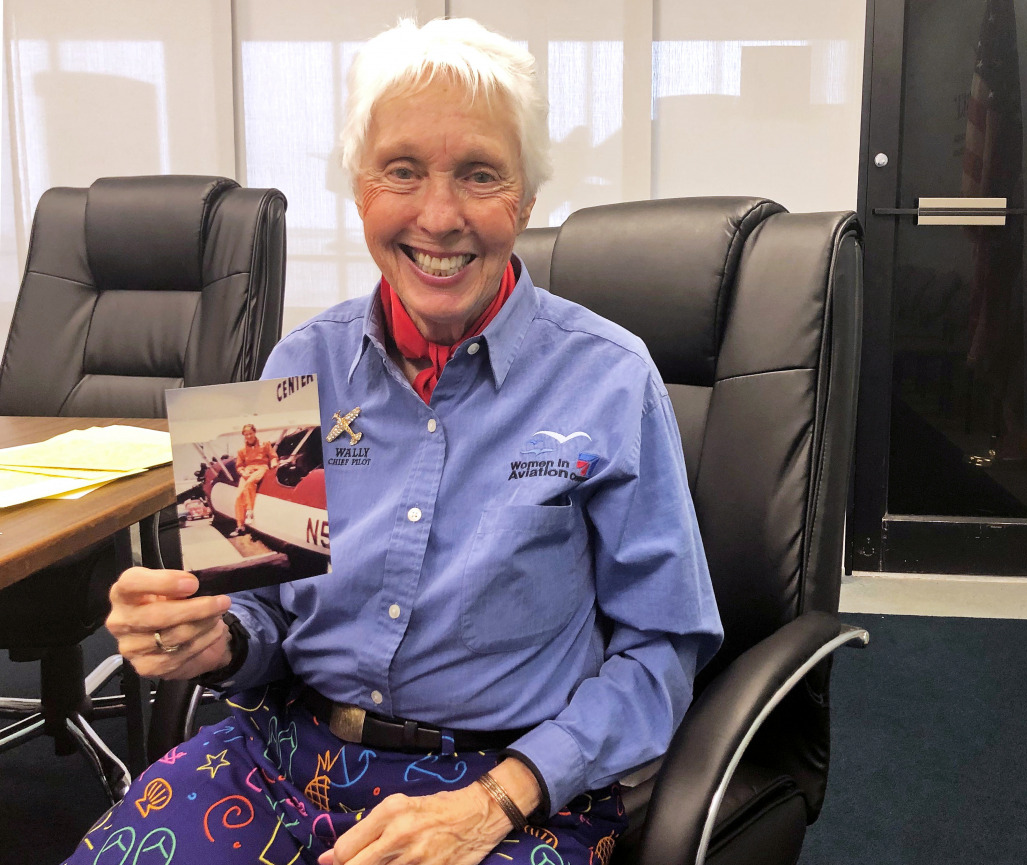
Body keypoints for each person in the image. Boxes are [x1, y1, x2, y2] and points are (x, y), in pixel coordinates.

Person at [72, 17, 721, 865]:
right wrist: (211, 635)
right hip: (279, 755)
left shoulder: (613, 376)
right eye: (403, 171)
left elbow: (663, 650)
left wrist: (500, 798)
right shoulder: (293, 362)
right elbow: (255, 606)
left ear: (525, 200)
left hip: (506, 786)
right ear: (359, 189)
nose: (439, 215)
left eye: (480, 174)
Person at [229, 423, 278, 536]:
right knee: (238, 496)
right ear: (243, 435)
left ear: (254, 433)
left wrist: (274, 463)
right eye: (246, 434)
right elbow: (239, 465)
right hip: (248, 471)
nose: (248, 436)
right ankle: (240, 526)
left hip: (261, 468)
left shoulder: (265, 444)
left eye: (250, 433)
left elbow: (273, 456)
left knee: (250, 483)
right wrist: (243, 472)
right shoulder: (241, 450)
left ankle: (249, 512)